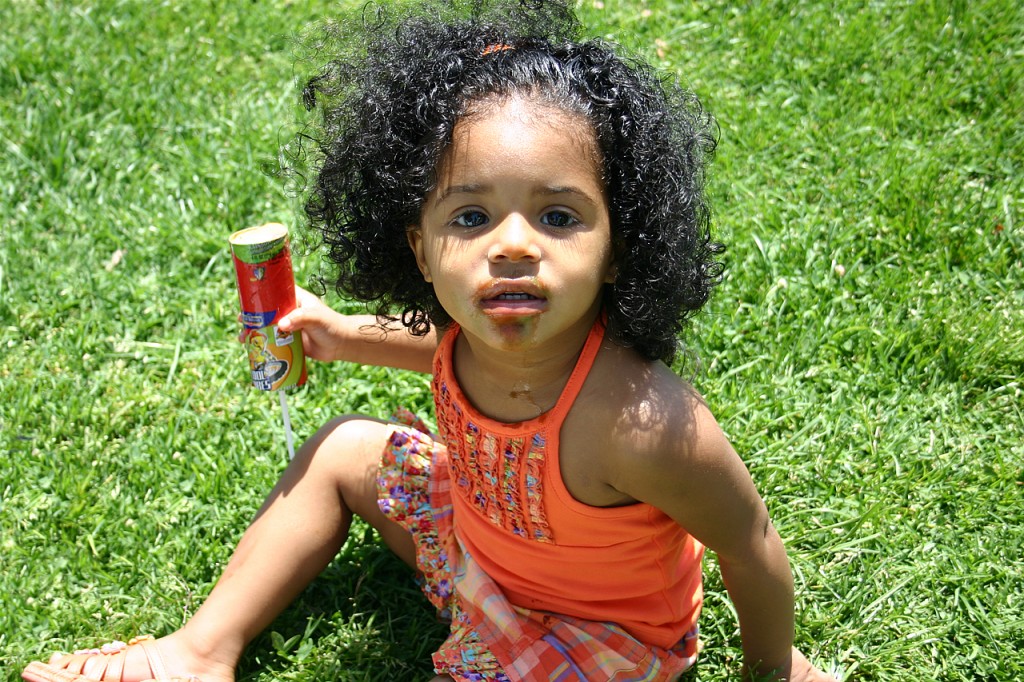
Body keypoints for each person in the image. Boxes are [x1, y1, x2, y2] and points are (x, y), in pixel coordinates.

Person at [22, 1, 837, 680]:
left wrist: (775, 667)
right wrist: (341, 334)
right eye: (471, 216)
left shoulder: (639, 421)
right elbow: (435, 350)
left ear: (618, 249)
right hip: (477, 552)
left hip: (590, 641)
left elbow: (749, 540)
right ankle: (199, 652)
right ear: (420, 249)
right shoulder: (472, 338)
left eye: (558, 216)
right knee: (342, 448)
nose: (512, 244)